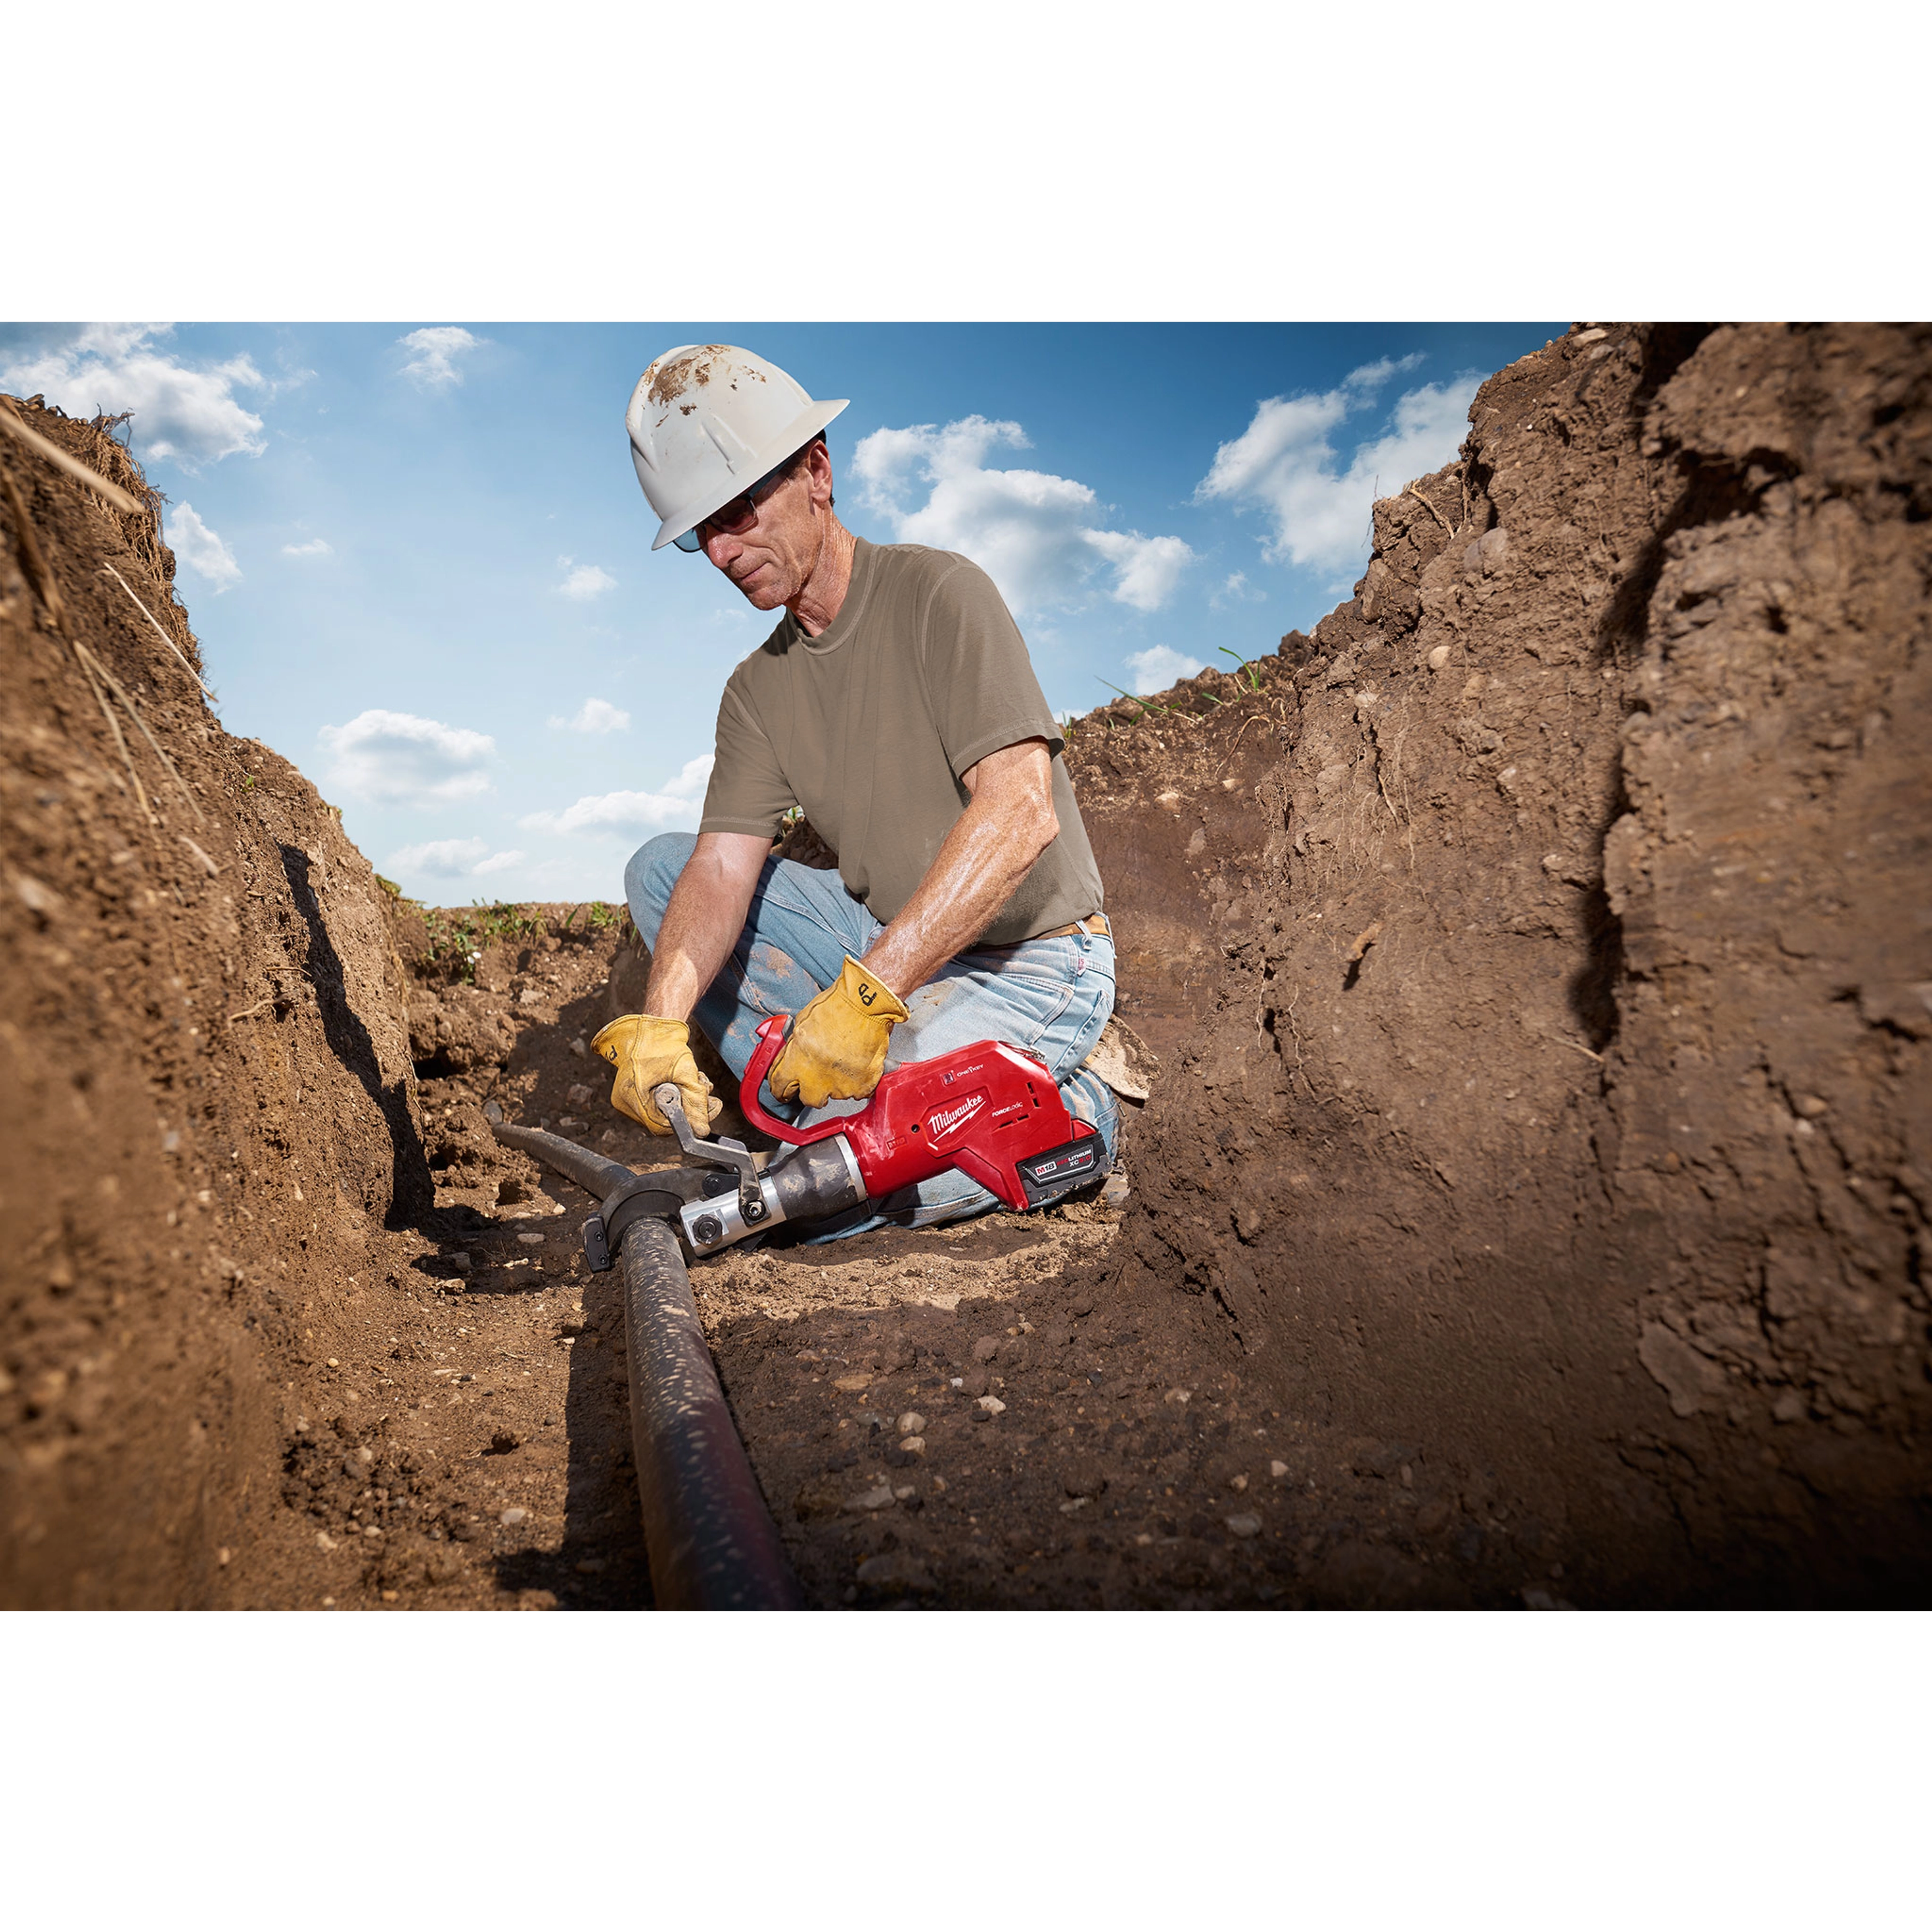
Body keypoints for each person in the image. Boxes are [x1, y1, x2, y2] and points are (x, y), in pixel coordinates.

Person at [595, 343, 1116, 1236]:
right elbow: (719, 873)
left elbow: (1019, 810)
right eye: (700, 532)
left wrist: (868, 998)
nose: (723, 550)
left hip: (1032, 961)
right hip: (890, 938)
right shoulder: (757, 692)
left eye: (738, 511)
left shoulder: (939, 595)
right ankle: (865, 1108)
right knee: (660, 869)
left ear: (818, 473)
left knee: (829, 1176)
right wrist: (662, 1024)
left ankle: (1077, 1119)